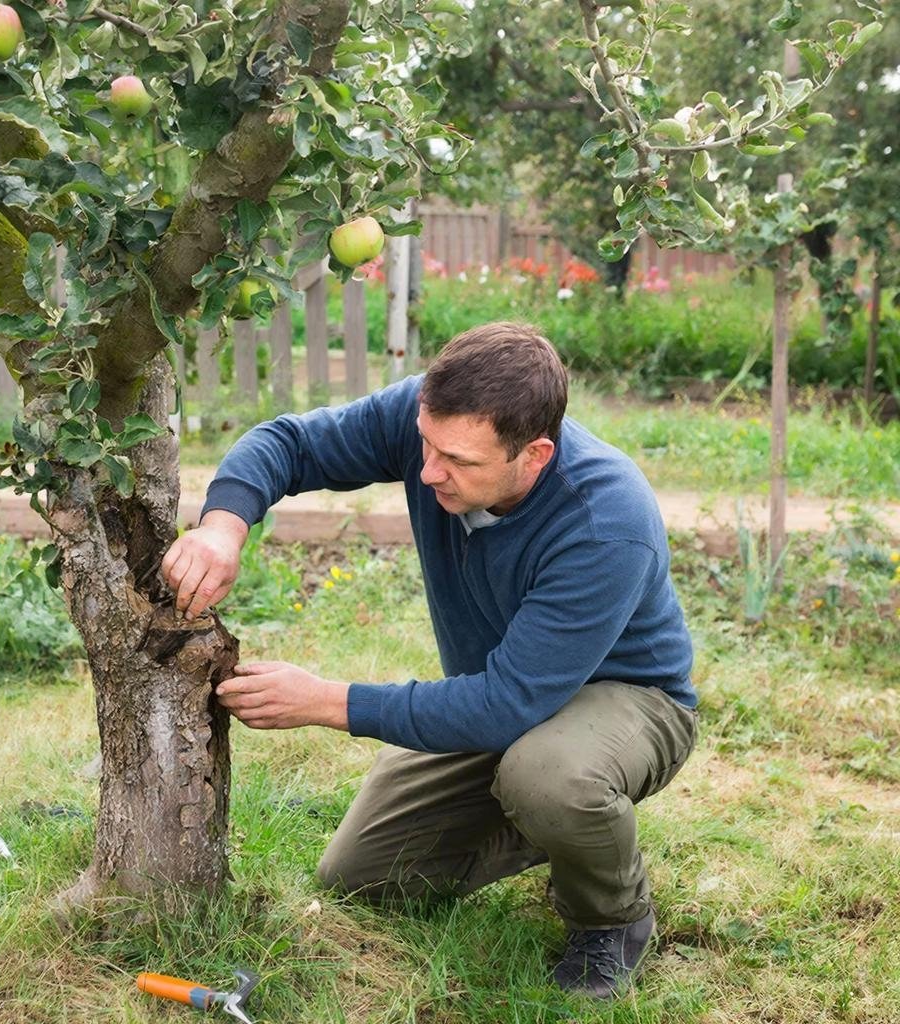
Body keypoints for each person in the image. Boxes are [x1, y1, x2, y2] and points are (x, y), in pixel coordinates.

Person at [161, 321, 698, 1000]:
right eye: (427, 445)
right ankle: (549, 816)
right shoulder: (429, 425)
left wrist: (326, 701)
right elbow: (288, 443)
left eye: (460, 463)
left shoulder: (605, 522)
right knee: (363, 875)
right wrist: (222, 526)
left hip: (630, 700)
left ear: (534, 455)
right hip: (505, 694)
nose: (428, 472)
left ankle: (611, 915)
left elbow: (506, 705)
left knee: (551, 777)